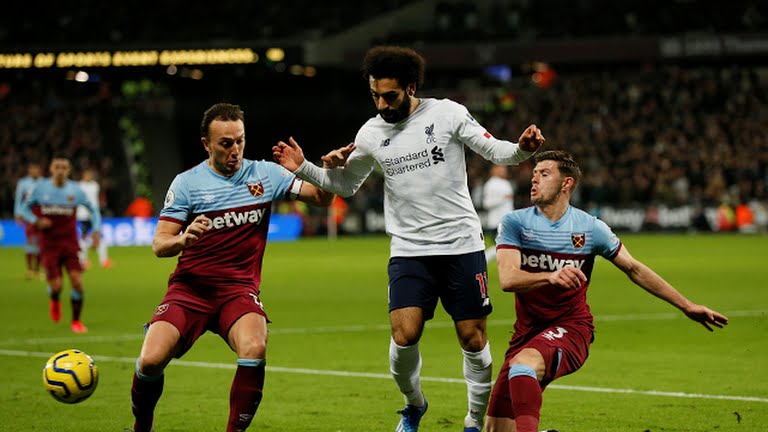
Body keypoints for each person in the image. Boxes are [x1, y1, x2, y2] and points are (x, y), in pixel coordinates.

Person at [272, 45, 545, 432]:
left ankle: (473, 420)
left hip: (460, 245)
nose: (381, 104)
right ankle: (414, 404)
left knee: (472, 337)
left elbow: (495, 151)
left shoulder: (447, 113)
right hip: (409, 250)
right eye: (375, 96)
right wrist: (305, 167)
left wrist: (521, 149)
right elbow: (345, 185)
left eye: (390, 96)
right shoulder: (370, 133)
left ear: (411, 87)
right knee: (404, 336)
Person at [485, 150, 729, 432]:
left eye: (544, 173)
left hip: (570, 328)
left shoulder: (590, 228)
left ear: (566, 184)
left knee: (523, 365)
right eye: (534, 174)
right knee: (496, 428)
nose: (534, 179)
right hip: (526, 333)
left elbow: (634, 268)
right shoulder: (515, 222)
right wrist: (551, 276)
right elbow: (508, 279)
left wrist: (687, 306)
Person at [129, 103, 334, 432]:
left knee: (255, 347)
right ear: (206, 144)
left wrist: (313, 169)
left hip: (238, 291)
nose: (235, 150)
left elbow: (322, 198)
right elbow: (159, 244)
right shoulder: (187, 183)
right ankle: (142, 425)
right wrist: (183, 239)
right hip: (189, 291)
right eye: (226, 143)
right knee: (151, 361)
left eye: (240, 140)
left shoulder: (266, 174)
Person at [19, 156, 102, 333]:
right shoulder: (40, 189)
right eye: (57, 167)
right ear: (51, 169)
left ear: (68, 171)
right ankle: (55, 298)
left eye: (64, 167)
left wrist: (96, 230)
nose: (60, 171)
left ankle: (76, 321)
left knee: (77, 282)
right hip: (49, 243)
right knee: (57, 285)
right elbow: (23, 209)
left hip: (70, 242)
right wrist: (36, 221)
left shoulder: (75, 190)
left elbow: (93, 210)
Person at [13, 162, 44, 280]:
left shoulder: (44, 182)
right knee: (30, 241)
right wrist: (17, 214)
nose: (34, 171)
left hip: (41, 214)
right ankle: (29, 269)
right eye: (32, 169)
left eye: (36, 169)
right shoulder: (23, 183)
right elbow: (18, 199)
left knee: (40, 242)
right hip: (28, 215)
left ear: (39, 170)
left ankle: (37, 270)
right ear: (29, 170)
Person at [77, 168, 111, 269]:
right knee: (83, 238)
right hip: (83, 215)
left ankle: (104, 261)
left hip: (94, 215)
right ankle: (83, 261)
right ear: (83, 175)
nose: (89, 176)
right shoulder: (79, 186)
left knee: (99, 236)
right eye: (87, 175)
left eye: (90, 175)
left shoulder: (95, 185)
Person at [482, 164, 514, 262]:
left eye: (504, 169)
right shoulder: (490, 184)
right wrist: (502, 199)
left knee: (507, 247)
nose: (503, 171)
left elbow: (509, 205)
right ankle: (483, 260)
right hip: (497, 221)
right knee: (502, 246)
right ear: (493, 170)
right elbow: (486, 204)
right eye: (500, 168)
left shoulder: (506, 183)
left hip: (508, 221)